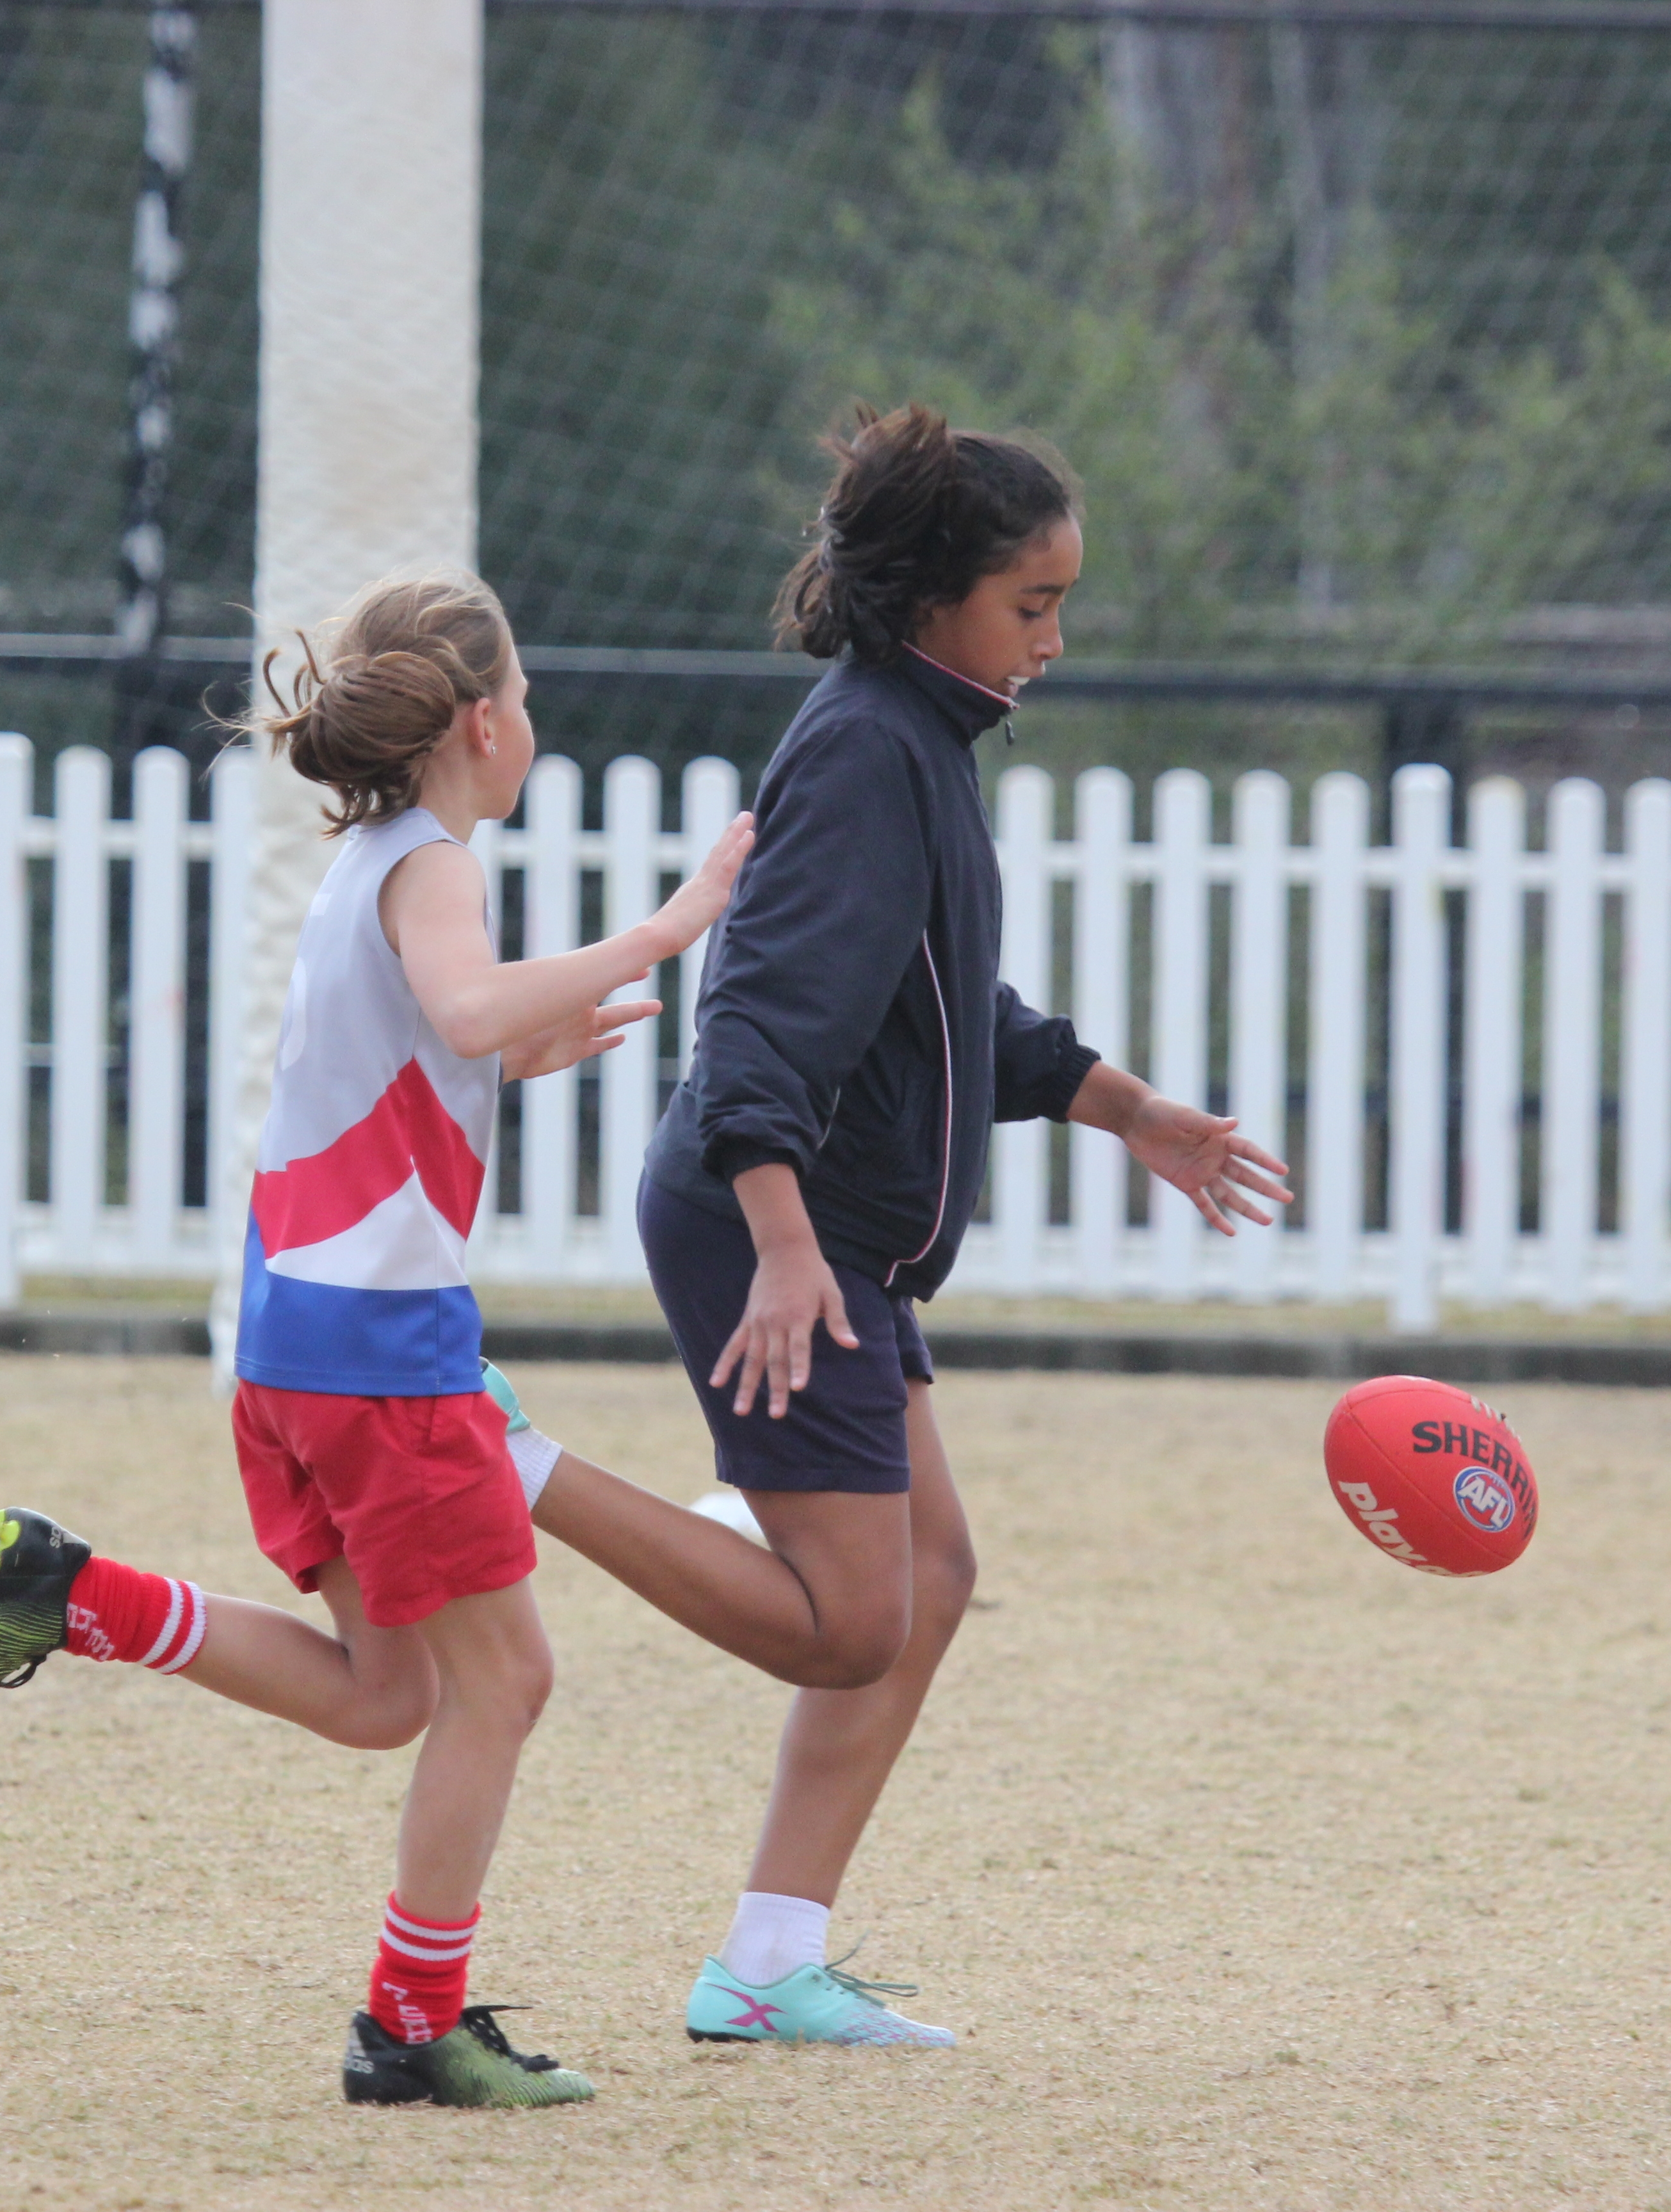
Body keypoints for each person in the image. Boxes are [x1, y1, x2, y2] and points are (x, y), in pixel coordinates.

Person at [0, 573, 754, 2108]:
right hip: (383, 1357)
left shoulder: (367, 861)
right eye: (530, 695)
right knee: (507, 1685)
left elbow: (436, 1048)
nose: (534, 718)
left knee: (387, 1695)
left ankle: (70, 1594)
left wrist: (538, 1040)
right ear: (483, 724)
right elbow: (469, 1014)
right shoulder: (435, 869)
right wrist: (669, 929)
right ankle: (414, 2027)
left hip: (292, 1341)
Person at [496, 403, 1293, 2048]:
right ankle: (506, 1461)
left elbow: (937, 1012)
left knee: (930, 1575)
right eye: (1032, 606)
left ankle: (771, 1967)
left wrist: (1130, 1110)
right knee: (856, 1620)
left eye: (1064, 605)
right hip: (771, 1227)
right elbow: (756, 1036)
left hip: (823, 1228)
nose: (1055, 640)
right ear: (932, 597)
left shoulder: (917, 739)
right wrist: (789, 1250)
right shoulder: (869, 748)